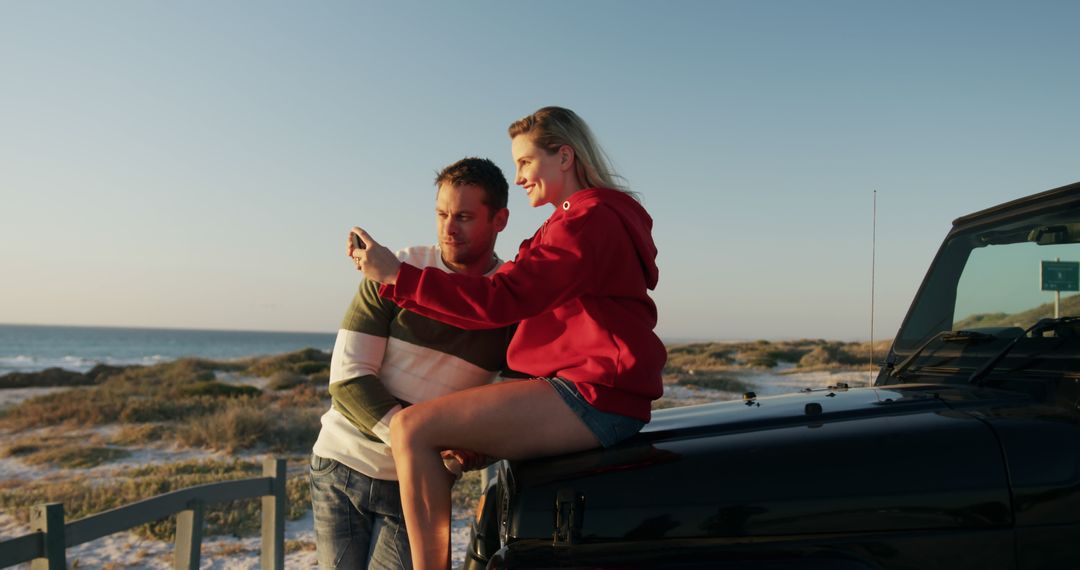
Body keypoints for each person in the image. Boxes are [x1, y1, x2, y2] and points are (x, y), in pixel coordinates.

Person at [348, 106, 666, 570]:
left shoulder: (588, 223)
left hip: (595, 396)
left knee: (411, 427)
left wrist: (397, 277)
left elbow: (501, 298)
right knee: (427, 439)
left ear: (564, 157)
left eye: (524, 162)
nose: (517, 176)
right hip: (586, 392)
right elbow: (499, 299)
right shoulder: (571, 223)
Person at [311, 157, 515, 569]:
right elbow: (348, 380)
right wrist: (417, 445)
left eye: (463, 216)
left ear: (500, 220)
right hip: (341, 466)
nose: (448, 228)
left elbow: (514, 408)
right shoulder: (394, 270)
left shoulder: (511, 301)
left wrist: (457, 461)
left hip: (420, 487)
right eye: (441, 214)